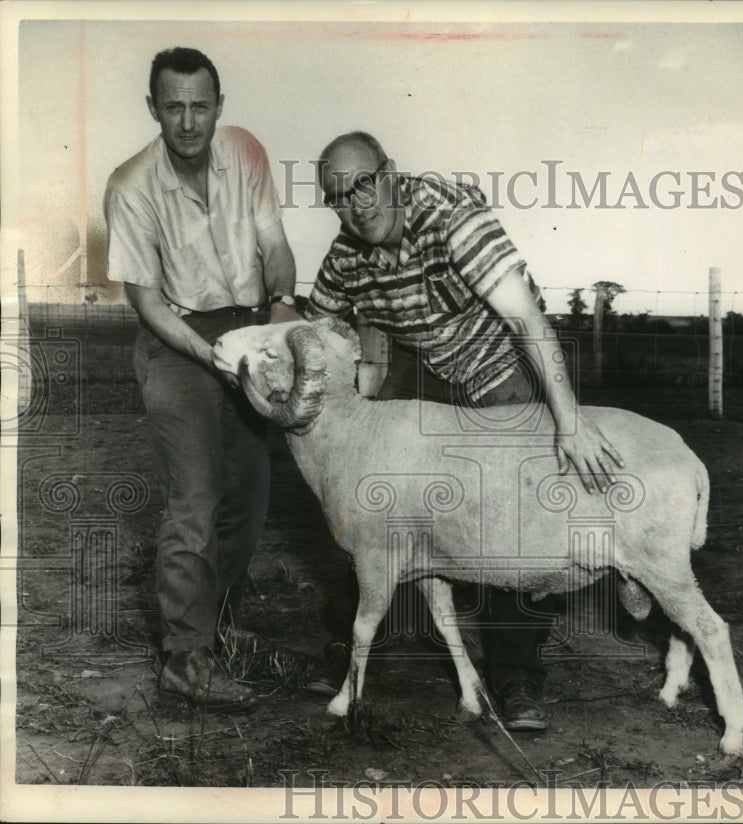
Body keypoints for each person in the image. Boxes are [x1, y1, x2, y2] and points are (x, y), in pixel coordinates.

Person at [303, 131, 624, 730]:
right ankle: (354, 651)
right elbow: (307, 330)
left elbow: (528, 320)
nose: (357, 204)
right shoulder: (347, 253)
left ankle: (518, 674)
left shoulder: (454, 218)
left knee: (509, 514)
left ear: (391, 173)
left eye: (366, 183)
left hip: (497, 362)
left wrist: (570, 421)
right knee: (374, 495)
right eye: (339, 195)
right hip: (422, 371)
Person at [104, 47, 299, 712]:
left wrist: (278, 312)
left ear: (220, 105)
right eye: (174, 106)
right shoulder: (130, 186)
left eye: (201, 105)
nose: (188, 120)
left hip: (249, 328)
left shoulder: (245, 151)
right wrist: (210, 355)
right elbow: (148, 304)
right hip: (176, 341)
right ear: (153, 108)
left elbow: (274, 245)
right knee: (196, 500)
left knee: (248, 493)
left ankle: (217, 624)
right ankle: (186, 664)